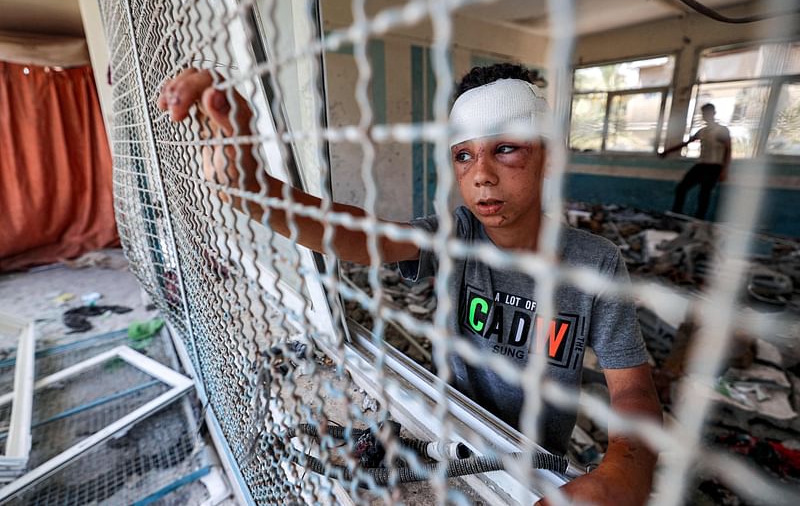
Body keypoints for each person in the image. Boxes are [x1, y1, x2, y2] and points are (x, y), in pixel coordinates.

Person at [158, 63, 661, 506]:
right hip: (450, 437)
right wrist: (254, 189)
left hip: (532, 467)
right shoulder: (458, 235)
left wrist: (624, 469)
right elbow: (363, 235)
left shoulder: (595, 263)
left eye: (506, 150)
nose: (481, 175)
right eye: (464, 156)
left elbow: (633, 386)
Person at [660, 103, 732, 219]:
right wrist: (667, 151)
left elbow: (728, 150)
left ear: (713, 113)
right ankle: (676, 214)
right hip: (701, 165)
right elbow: (686, 143)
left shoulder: (721, 130)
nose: (705, 116)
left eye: (708, 113)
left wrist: (724, 170)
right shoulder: (702, 131)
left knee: (704, 194)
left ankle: (698, 220)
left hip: (714, 167)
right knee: (681, 188)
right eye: (703, 114)